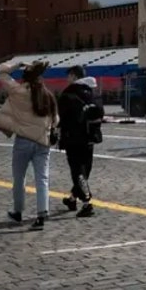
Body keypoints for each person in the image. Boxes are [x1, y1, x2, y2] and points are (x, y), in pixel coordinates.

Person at [0, 61, 59, 230]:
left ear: (24, 78)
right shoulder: (48, 95)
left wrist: (18, 64)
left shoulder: (17, 91)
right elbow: (56, 119)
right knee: (42, 179)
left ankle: (18, 211)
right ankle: (42, 214)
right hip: (43, 143)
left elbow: (1, 72)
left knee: (19, 178)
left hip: (23, 140)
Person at [57, 65, 103, 217]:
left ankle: (87, 203)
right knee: (85, 169)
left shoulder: (69, 93)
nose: (67, 79)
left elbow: (61, 117)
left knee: (77, 170)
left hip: (73, 138)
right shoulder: (92, 91)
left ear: (74, 76)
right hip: (91, 136)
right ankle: (72, 198)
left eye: (69, 76)